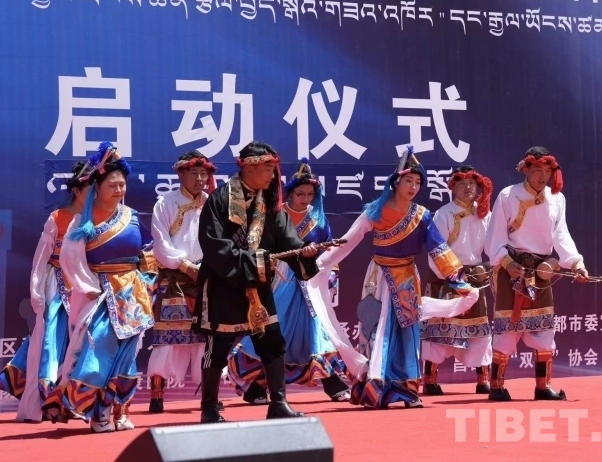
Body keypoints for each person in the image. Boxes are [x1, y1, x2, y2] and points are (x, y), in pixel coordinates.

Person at [306, 147, 480, 409]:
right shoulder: (376, 211)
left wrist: (460, 282)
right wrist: (320, 263)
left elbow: (439, 250)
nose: (413, 187)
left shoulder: (422, 215)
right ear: (396, 182)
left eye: (418, 182)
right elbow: (348, 241)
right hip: (378, 277)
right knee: (377, 330)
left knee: (407, 332)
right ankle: (374, 390)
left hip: (407, 278)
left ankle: (407, 391)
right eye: (408, 181)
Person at [193, 141, 322, 423]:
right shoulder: (221, 199)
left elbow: (287, 240)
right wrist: (255, 263)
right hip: (224, 284)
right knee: (218, 347)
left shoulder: (269, 203)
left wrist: (304, 252)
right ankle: (209, 407)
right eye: (268, 168)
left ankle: (278, 403)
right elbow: (215, 246)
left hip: (258, 285)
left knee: (273, 343)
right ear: (249, 168)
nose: (273, 175)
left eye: (274, 169)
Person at [42, 142, 157, 432]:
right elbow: (70, 260)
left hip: (132, 296)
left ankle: (121, 410)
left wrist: (148, 281)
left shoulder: (131, 216)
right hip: (99, 296)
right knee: (99, 352)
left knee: (128, 355)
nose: (119, 190)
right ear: (97, 188)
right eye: (112, 185)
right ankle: (98, 411)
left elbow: (147, 251)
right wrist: (89, 287)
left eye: (122, 185)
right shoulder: (82, 221)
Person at [228, 159, 350, 405]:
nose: (305, 199)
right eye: (300, 194)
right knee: (272, 331)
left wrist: (329, 279)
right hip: (279, 278)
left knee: (315, 330)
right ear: (290, 193)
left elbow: (329, 257)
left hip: (309, 280)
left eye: (310, 194)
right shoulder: (275, 214)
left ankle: (332, 382)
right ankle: (254, 385)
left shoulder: (318, 220)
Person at [484, 146, 588, 401]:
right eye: (538, 170)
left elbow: (561, 234)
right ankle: (496, 386)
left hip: (541, 270)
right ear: (525, 169)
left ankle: (543, 386)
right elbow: (494, 236)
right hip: (512, 267)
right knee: (508, 327)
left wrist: (576, 263)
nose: (543, 176)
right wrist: (506, 262)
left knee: (543, 328)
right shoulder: (508, 195)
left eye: (548, 171)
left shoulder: (557, 198)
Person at [0, 163, 90, 422]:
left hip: (83, 286)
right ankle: (47, 397)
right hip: (56, 283)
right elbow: (40, 258)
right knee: (50, 338)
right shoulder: (57, 218)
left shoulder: (96, 219)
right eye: (90, 189)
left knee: (78, 341)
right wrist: (36, 289)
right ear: (77, 191)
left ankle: (68, 399)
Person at [145, 151, 224, 414]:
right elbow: (161, 244)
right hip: (176, 278)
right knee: (168, 338)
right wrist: (185, 266)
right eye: (194, 173)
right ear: (180, 174)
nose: (200, 179)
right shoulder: (165, 203)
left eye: (204, 174)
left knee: (206, 339)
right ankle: (157, 395)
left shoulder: (212, 203)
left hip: (206, 277)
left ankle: (209, 395)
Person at [421, 166, 494, 395]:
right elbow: (435, 250)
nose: (468, 188)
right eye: (462, 184)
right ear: (453, 188)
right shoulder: (443, 214)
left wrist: (489, 268)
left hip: (475, 276)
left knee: (479, 330)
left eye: (472, 183)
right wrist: (452, 276)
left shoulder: (485, 214)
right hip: (446, 274)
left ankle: (483, 379)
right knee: (438, 331)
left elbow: (493, 246)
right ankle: (430, 379)